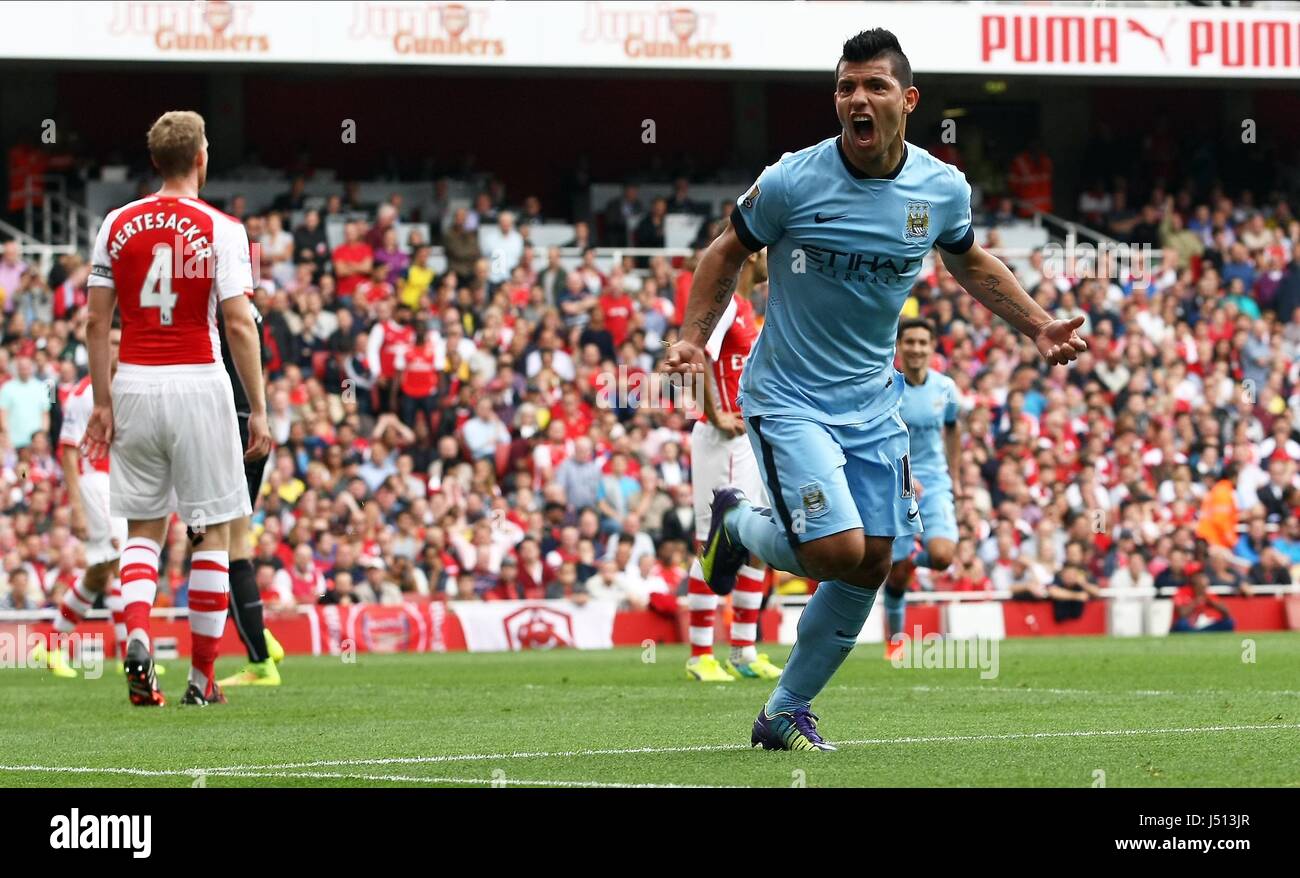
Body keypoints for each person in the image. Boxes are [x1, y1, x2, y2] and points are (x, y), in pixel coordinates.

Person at [662, 29, 1086, 751]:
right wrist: (690, 339)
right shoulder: (793, 178)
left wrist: (1039, 325)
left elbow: (970, 262)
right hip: (789, 394)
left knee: (875, 559)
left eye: (874, 87)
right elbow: (724, 251)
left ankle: (783, 711)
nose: (857, 100)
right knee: (834, 550)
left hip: (873, 402)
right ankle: (736, 523)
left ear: (908, 100)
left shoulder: (941, 188)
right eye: (845, 88)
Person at [82, 110, 272, 707]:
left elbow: (94, 320)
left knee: (143, 529)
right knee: (211, 530)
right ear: (200, 158)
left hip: (135, 380)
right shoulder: (222, 228)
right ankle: (201, 678)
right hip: (199, 381)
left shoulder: (115, 222)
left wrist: (103, 401)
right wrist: (260, 409)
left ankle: (137, 636)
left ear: (154, 160)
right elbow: (240, 322)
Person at [686, 248, 780, 682]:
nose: (769, 257)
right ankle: (700, 655)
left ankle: (743, 650)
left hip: (747, 442)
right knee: (715, 540)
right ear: (750, 257)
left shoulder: (746, 309)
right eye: (763, 251)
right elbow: (697, 353)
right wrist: (717, 413)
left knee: (755, 541)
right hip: (720, 440)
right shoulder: (725, 305)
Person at [882, 318, 962, 658]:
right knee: (897, 574)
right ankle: (896, 642)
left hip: (935, 480)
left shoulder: (945, 388)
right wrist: (901, 473)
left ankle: (918, 556)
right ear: (899, 347)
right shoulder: (886, 387)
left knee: (943, 557)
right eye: (909, 342)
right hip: (894, 484)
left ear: (931, 348)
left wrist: (955, 477)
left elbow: (953, 428)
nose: (915, 348)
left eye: (922, 342)